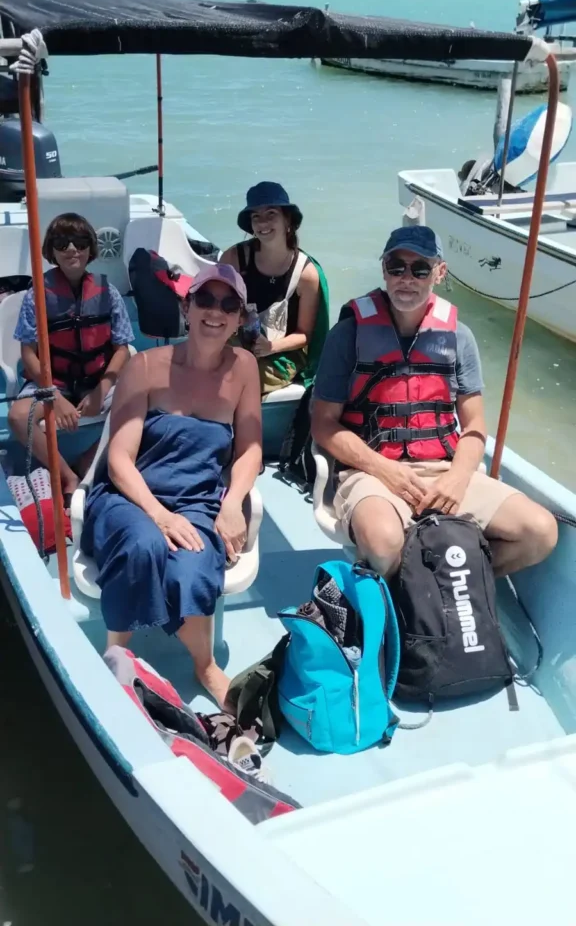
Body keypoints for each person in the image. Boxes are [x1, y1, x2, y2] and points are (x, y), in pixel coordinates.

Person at [311, 225, 558, 580]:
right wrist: (385, 470)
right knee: (383, 544)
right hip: (370, 472)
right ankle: (414, 605)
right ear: (384, 270)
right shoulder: (347, 335)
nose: (406, 278)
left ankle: (448, 590)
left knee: (539, 532)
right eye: (397, 267)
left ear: (439, 273)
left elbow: (474, 427)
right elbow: (323, 424)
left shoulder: (459, 337)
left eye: (420, 269)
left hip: (443, 470)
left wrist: (457, 478)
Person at [81, 264, 262, 707]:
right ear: (187, 306)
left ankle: (204, 666)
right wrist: (158, 515)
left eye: (228, 304)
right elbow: (119, 458)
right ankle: (116, 652)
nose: (215, 312)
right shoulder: (146, 366)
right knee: (142, 545)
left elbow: (251, 449)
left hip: (198, 501)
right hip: (132, 497)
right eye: (205, 300)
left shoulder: (245, 369)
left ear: (240, 318)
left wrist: (233, 502)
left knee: (192, 568)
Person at [8, 212, 133, 506]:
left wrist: (102, 388)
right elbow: (28, 353)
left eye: (78, 242)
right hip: (56, 382)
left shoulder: (109, 293)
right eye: (62, 243)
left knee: (143, 406)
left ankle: (88, 462)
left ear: (90, 247)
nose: (71, 250)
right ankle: (66, 475)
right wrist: (53, 395)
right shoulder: (36, 295)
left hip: (98, 380)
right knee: (16, 417)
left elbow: (122, 349)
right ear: (51, 251)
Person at [220, 181, 320, 394]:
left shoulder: (305, 274)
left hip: (282, 354)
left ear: (288, 220)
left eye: (271, 213)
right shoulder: (233, 259)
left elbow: (305, 335)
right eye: (256, 216)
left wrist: (271, 347)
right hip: (235, 341)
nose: (263, 222)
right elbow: (216, 305)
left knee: (239, 378)